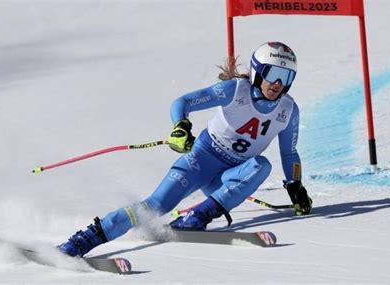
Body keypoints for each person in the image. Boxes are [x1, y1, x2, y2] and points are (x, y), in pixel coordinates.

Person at [58, 42, 313, 257]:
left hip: (229, 177)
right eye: (273, 73)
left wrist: (296, 185)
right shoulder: (235, 90)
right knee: (154, 206)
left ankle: (198, 217)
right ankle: (83, 241)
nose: (278, 83)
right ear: (258, 72)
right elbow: (184, 102)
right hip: (201, 161)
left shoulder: (288, 111)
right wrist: (180, 127)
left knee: (261, 165)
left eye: (287, 76)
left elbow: (289, 153)